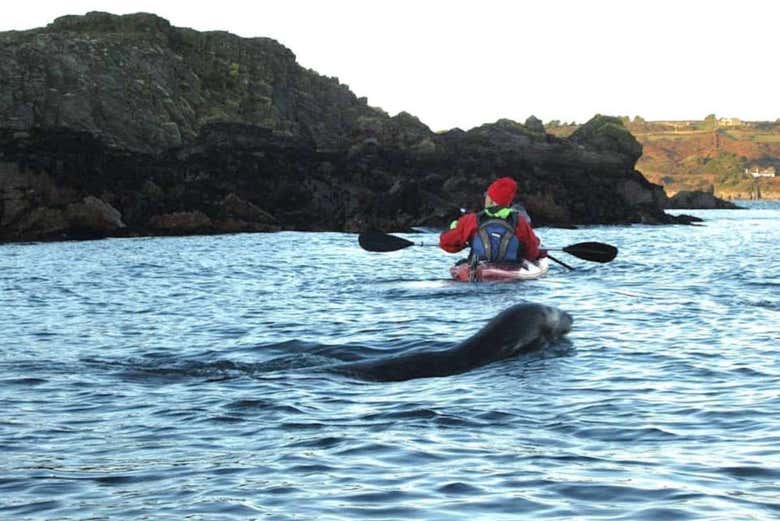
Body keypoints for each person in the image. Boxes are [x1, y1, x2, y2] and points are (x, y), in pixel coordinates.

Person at [439, 177, 545, 264]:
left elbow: (447, 244)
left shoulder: (471, 220)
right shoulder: (520, 222)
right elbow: (532, 253)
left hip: (479, 267)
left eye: (487, 195)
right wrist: (540, 252)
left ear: (490, 199)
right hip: (511, 270)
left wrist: (456, 232)